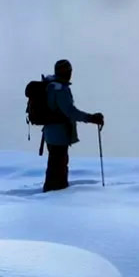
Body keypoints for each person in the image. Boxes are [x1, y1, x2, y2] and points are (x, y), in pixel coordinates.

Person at [42, 58, 104, 192]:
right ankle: (54, 195)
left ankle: (52, 193)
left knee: (55, 165)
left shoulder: (51, 86)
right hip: (58, 135)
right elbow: (70, 111)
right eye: (68, 71)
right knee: (58, 167)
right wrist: (90, 118)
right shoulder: (60, 89)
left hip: (50, 133)